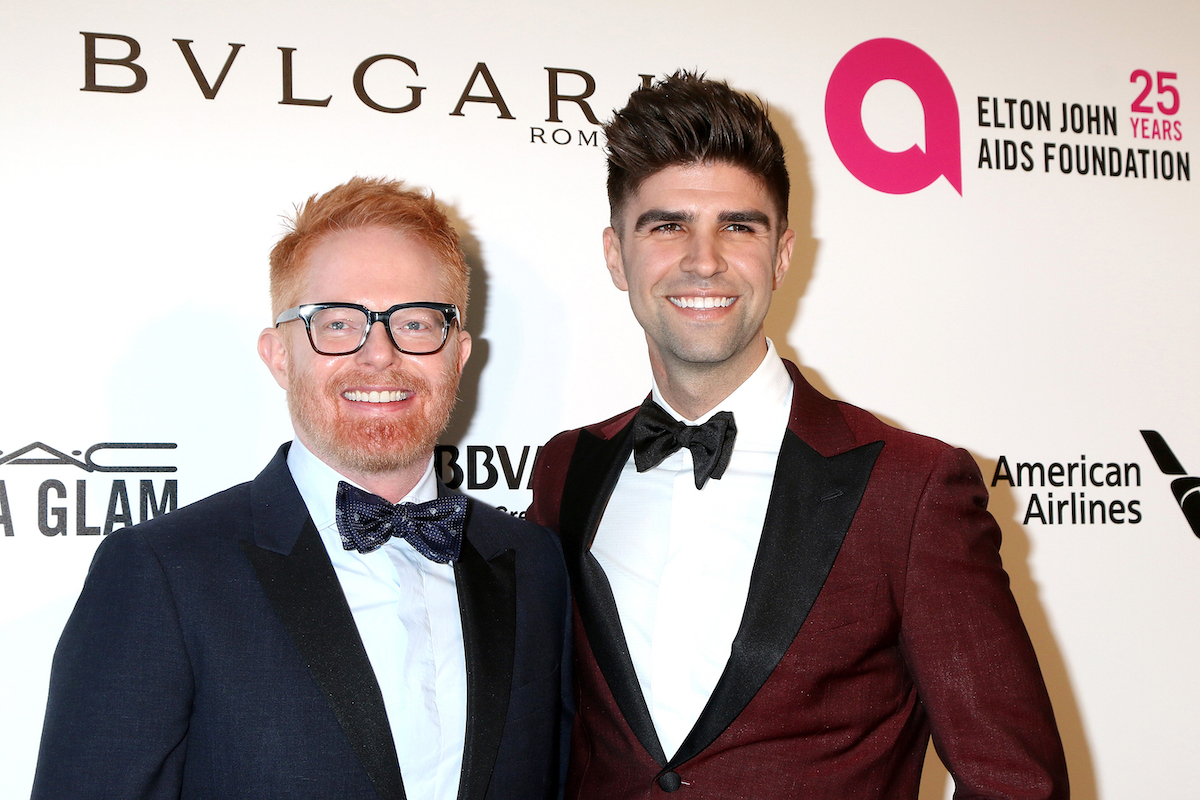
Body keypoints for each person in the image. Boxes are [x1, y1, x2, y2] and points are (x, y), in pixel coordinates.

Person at [527, 72, 1068, 798]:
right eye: (667, 226)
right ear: (615, 255)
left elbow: (1015, 781)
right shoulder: (568, 469)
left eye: (738, 227)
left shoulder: (909, 490)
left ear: (781, 255)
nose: (703, 260)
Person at [33, 177, 571, 800]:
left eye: (416, 322)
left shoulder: (533, 564)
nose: (379, 354)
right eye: (337, 324)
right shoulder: (163, 573)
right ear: (279, 356)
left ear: (458, 353)